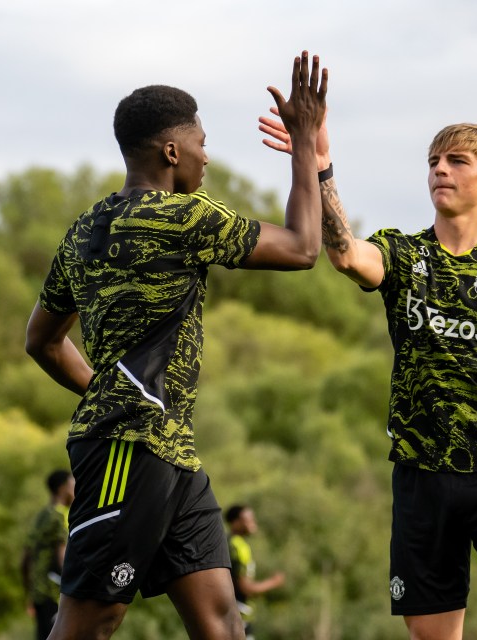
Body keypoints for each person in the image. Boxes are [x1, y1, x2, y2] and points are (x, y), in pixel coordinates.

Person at [24, 51, 326, 640]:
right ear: (171, 152)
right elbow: (302, 247)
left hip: (173, 455)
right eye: (201, 143)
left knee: (222, 625)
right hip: (125, 451)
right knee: (88, 620)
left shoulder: (84, 228)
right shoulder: (183, 217)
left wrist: (103, 387)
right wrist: (305, 142)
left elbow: (41, 340)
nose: (206, 156)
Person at [258, 115, 477, 639]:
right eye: (434, 161)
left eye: (457, 161)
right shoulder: (403, 252)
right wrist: (321, 166)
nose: (440, 170)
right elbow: (345, 253)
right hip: (421, 476)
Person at [21, 469, 76, 640]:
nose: (75, 488)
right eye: (72, 484)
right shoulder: (60, 516)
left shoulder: (41, 516)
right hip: (55, 594)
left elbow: (24, 561)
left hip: (38, 593)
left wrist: (30, 593)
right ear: (62, 489)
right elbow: (62, 555)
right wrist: (74, 585)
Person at [224, 505, 286, 639]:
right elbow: (245, 587)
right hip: (239, 615)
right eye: (247, 519)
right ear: (235, 522)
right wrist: (274, 582)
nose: (253, 522)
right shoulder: (237, 546)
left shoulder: (235, 543)